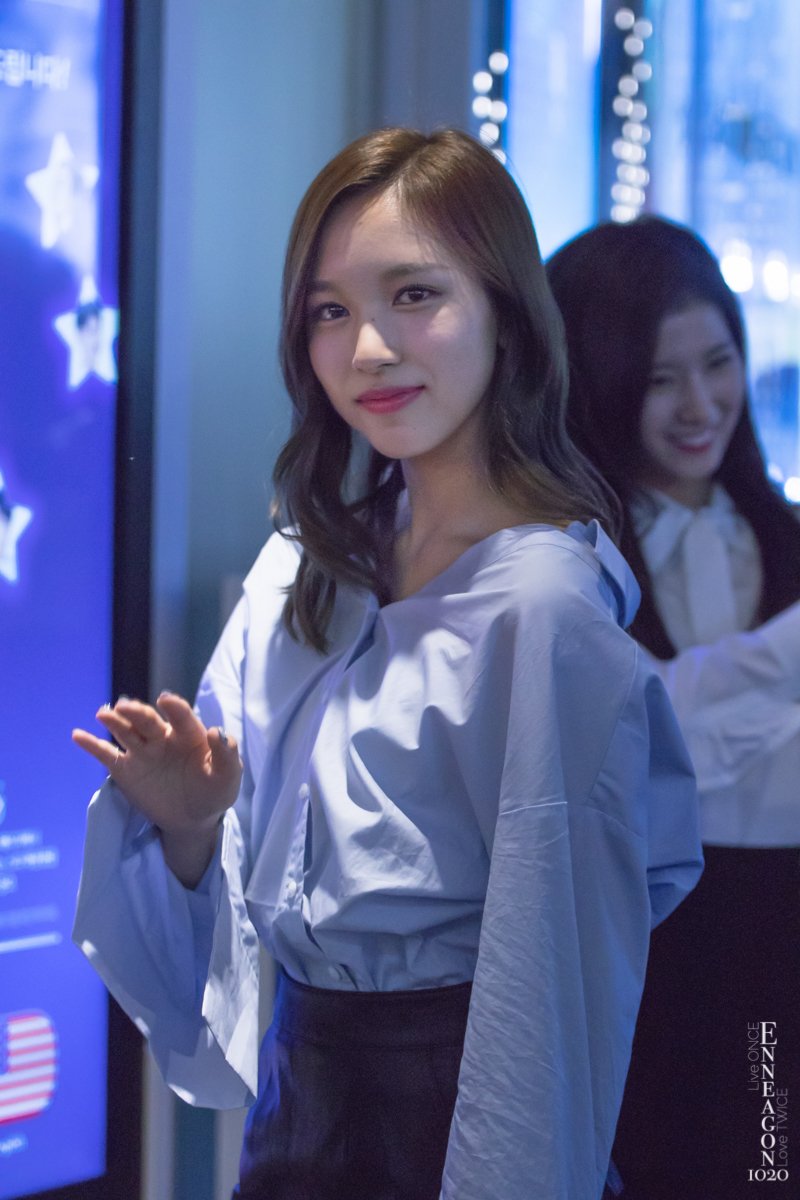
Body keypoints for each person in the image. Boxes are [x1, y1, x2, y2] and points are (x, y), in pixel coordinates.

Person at [71, 130, 702, 1200]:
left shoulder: (544, 612)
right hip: (295, 1110)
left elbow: (550, 994)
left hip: (453, 1122)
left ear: (505, 311)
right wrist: (188, 826)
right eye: (329, 310)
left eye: (414, 295)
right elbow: (214, 969)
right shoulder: (304, 569)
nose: (366, 348)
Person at [547, 215, 800, 1200]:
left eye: (718, 363)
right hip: (633, 957)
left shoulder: (784, 539)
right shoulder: (567, 566)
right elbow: (641, 736)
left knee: (768, 1163)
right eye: (659, 379)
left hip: (774, 950)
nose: (701, 405)